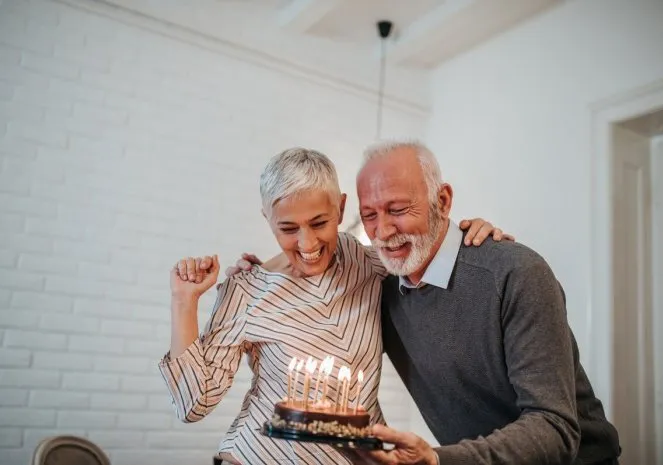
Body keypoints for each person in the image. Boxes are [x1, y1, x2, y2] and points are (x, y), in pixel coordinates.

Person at [232, 140, 621, 465]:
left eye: (398, 210)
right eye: (369, 215)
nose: (383, 231)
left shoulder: (514, 273)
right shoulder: (381, 289)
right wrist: (256, 274)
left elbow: (555, 429)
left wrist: (438, 460)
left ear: (444, 200)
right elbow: (313, 270)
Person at [158, 147, 506, 465]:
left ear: (340, 208)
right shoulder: (247, 289)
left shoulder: (367, 261)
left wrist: (467, 237)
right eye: (288, 228)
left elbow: (424, 255)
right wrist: (183, 301)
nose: (307, 242)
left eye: (319, 223)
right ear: (267, 218)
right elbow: (193, 404)